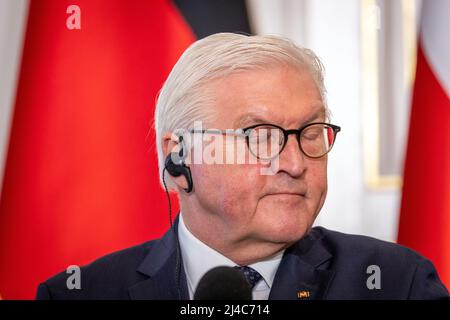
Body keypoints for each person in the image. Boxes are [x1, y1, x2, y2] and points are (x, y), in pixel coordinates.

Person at [36, 33, 449, 300]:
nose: (294, 163)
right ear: (178, 159)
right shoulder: (79, 294)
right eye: (260, 136)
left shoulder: (397, 285)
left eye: (310, 132)